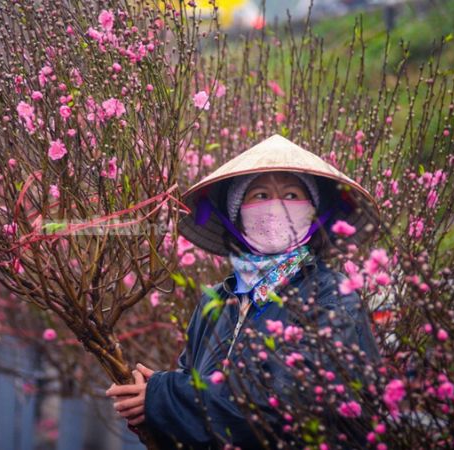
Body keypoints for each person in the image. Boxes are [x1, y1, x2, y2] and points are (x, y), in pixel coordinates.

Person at [106, 135, 382, 448]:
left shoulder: (333, 298)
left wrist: (162, 396)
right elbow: (194, 391)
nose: (275, 206)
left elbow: (286, 404)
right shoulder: (218, 301)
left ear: (312, 213)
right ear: (237, 214)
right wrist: (151, 410)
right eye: (260, 194)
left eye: (291, 194)